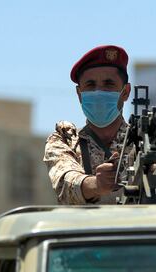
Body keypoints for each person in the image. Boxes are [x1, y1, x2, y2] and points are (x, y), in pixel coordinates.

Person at [44, 45, 132, 204]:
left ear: (125, 92)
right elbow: (65, 183)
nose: (99, 92)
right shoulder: (65, 140)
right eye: (90, 85)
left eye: (108, 84)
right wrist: (96, 184)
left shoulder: (144, 141)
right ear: (79, 94)